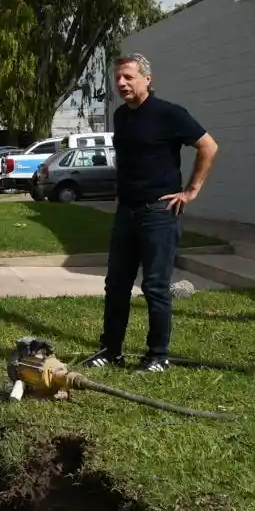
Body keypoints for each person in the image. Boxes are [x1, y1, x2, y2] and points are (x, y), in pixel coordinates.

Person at [86, 53, 218, 374]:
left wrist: (191, 190)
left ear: (147, 79)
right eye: (118, 78)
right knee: (116, 284)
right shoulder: (121, 116)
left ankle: (158, 355)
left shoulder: (168, 114)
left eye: (128, 77)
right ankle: (111, 350)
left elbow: (208, 146)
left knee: (155, 287)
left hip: (159, 212)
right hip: (127, 213)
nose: (121, 83)